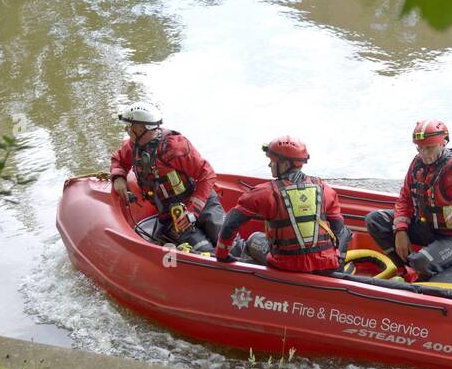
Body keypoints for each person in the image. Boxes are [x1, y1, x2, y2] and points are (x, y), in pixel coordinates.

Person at [365, 119, 452, 281]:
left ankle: (420, 272)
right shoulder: (417, 164)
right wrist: (400, 230)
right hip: (427, 228)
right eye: (420, 148)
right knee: (374, 220)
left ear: (443, 143)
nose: (424, 154)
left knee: (421, 262)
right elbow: (405, 199)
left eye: (429, 148)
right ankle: (405, 270)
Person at [215, 136, 351, 273]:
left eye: (272, 161)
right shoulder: (325, 190)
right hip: (325, 264)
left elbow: (230, 224)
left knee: (254, 238)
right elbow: (338, 228)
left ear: (285, 164)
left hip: (285, 265)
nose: (269, 165)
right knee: (346, 231)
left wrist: (222, 255)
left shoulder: (265, 193)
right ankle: (337, 271)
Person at [109, 101, 223, 252]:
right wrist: (118, 177)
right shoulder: (132, 146)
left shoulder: (174, 147)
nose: (127, 129)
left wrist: (192, 211)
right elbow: (119, 159)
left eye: (130, 126)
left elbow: (207, 175)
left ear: (142, 128)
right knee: (204, 251)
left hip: (202, 203)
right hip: (173, 215)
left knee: (229, 244)